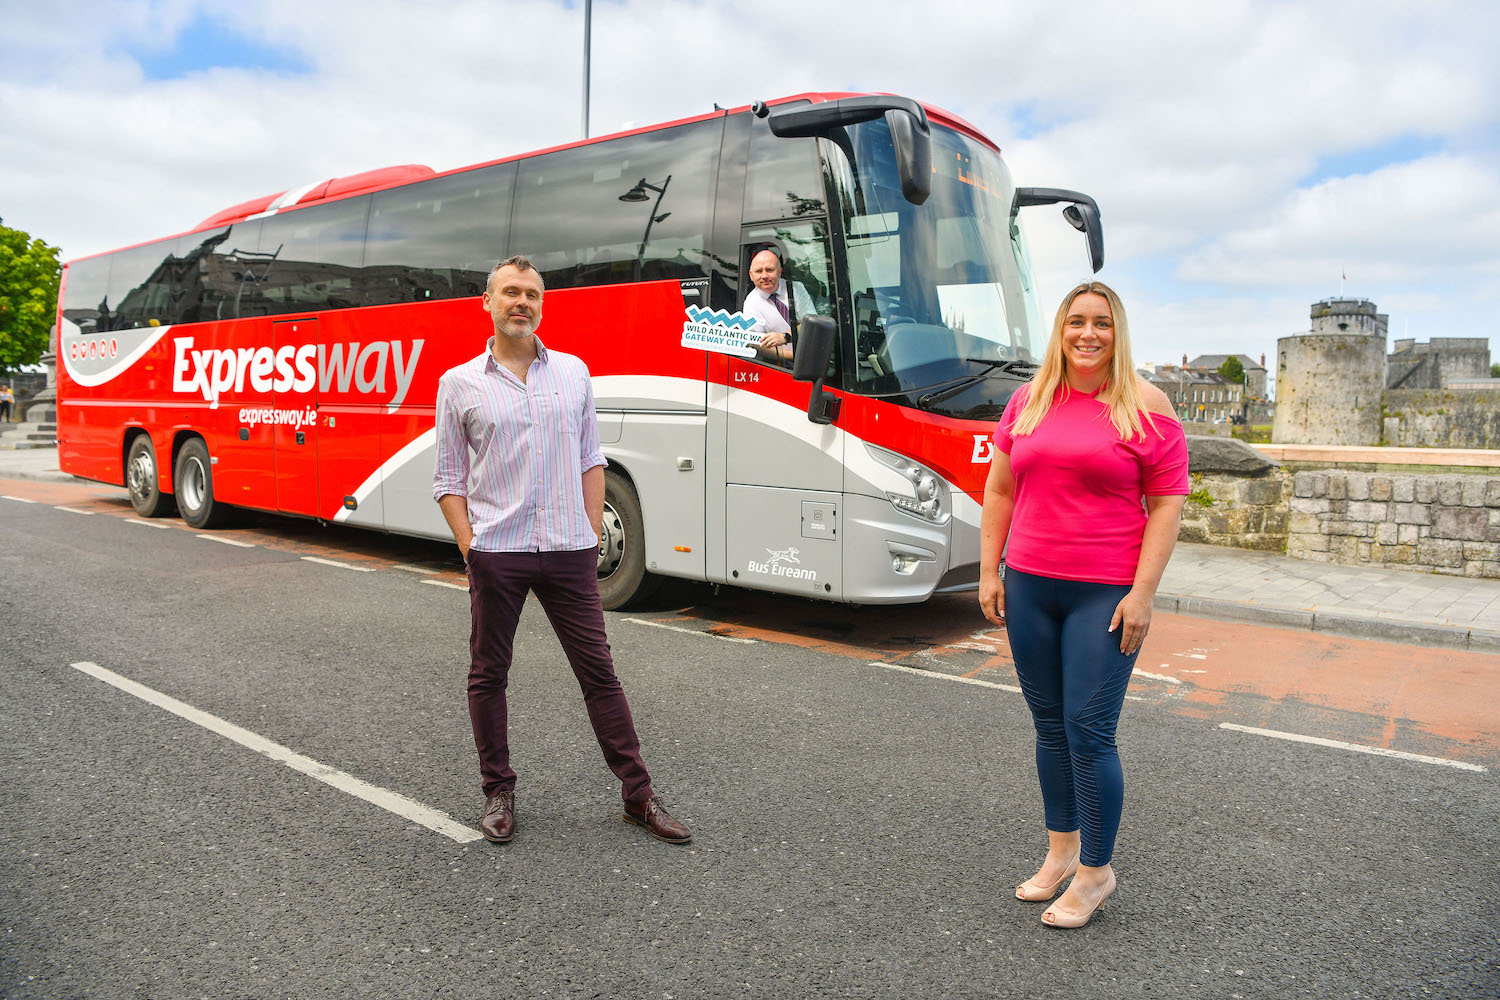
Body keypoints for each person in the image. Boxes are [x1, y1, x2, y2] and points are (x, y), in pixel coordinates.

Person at [433, 254, 692, 846]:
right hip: (498, 551)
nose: (522, 303)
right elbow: (448, 479)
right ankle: (498, 791)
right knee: (489, 674)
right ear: (488, 303)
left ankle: (639, 796)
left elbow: (590, 459)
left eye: (532, 294)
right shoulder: (459, 384)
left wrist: (591, 532)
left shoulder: (573, 373)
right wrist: (470, 546)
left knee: (599, 673)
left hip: (569, 550)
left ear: (542, 305)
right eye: (510, 293)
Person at [977, 281, 1187, 928]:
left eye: (1101, 323)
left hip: (1105, 594)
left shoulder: (1146, 406)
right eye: (1076, 322)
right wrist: (991, 571)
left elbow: (1168, 504)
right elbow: (1002, 489)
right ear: (1060, 330)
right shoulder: (1029, 399)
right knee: (1048, 729)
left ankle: (1097, 872)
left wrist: (1143, 594)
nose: (1087, 334)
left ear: (1117, 332)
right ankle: (1062, 852)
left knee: (1089, 732)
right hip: (1032, 586)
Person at [740, 247, 806, 365]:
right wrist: (795, 356)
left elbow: (811, 323)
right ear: (751, 275)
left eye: (769, 270)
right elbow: (758, 344)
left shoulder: (796, 288)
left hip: (814, 355)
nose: (764, 276)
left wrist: (785, 337)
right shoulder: (751, 302)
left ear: (779, 272)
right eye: (759, 271)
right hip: (785, 366)